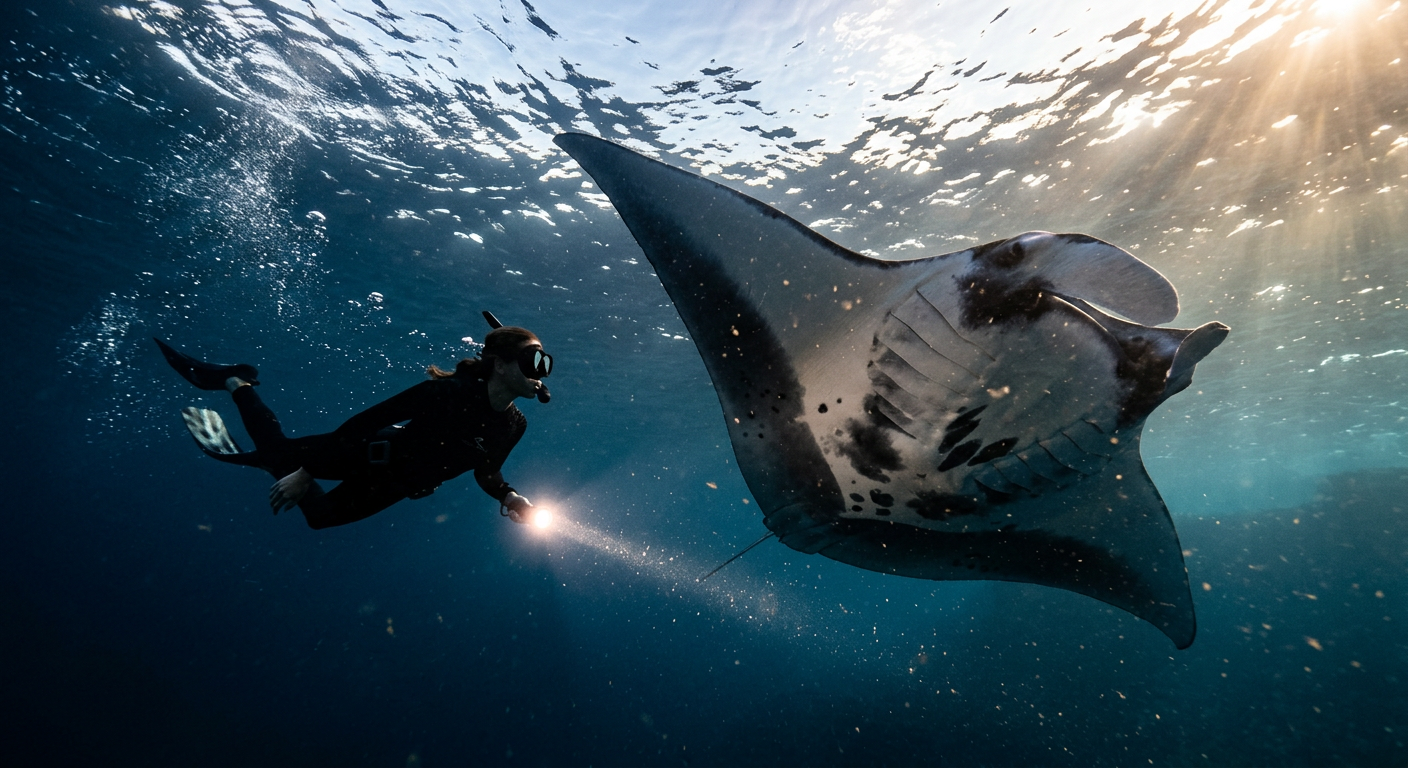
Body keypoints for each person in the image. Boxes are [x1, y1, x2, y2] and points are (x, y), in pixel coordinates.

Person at [155, 315, 552, 529]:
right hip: (368, 452)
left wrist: (508, 497)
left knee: (321, 519)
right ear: (499, 365)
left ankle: (278, 462)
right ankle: (236, 381)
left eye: (544, 365)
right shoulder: (448, 394)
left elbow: (488, 472)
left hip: (400, 485)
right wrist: (307, 474)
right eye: (534, 362)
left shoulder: (514, 426)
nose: (541, 373)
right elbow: (361, 423)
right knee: (276, 452)